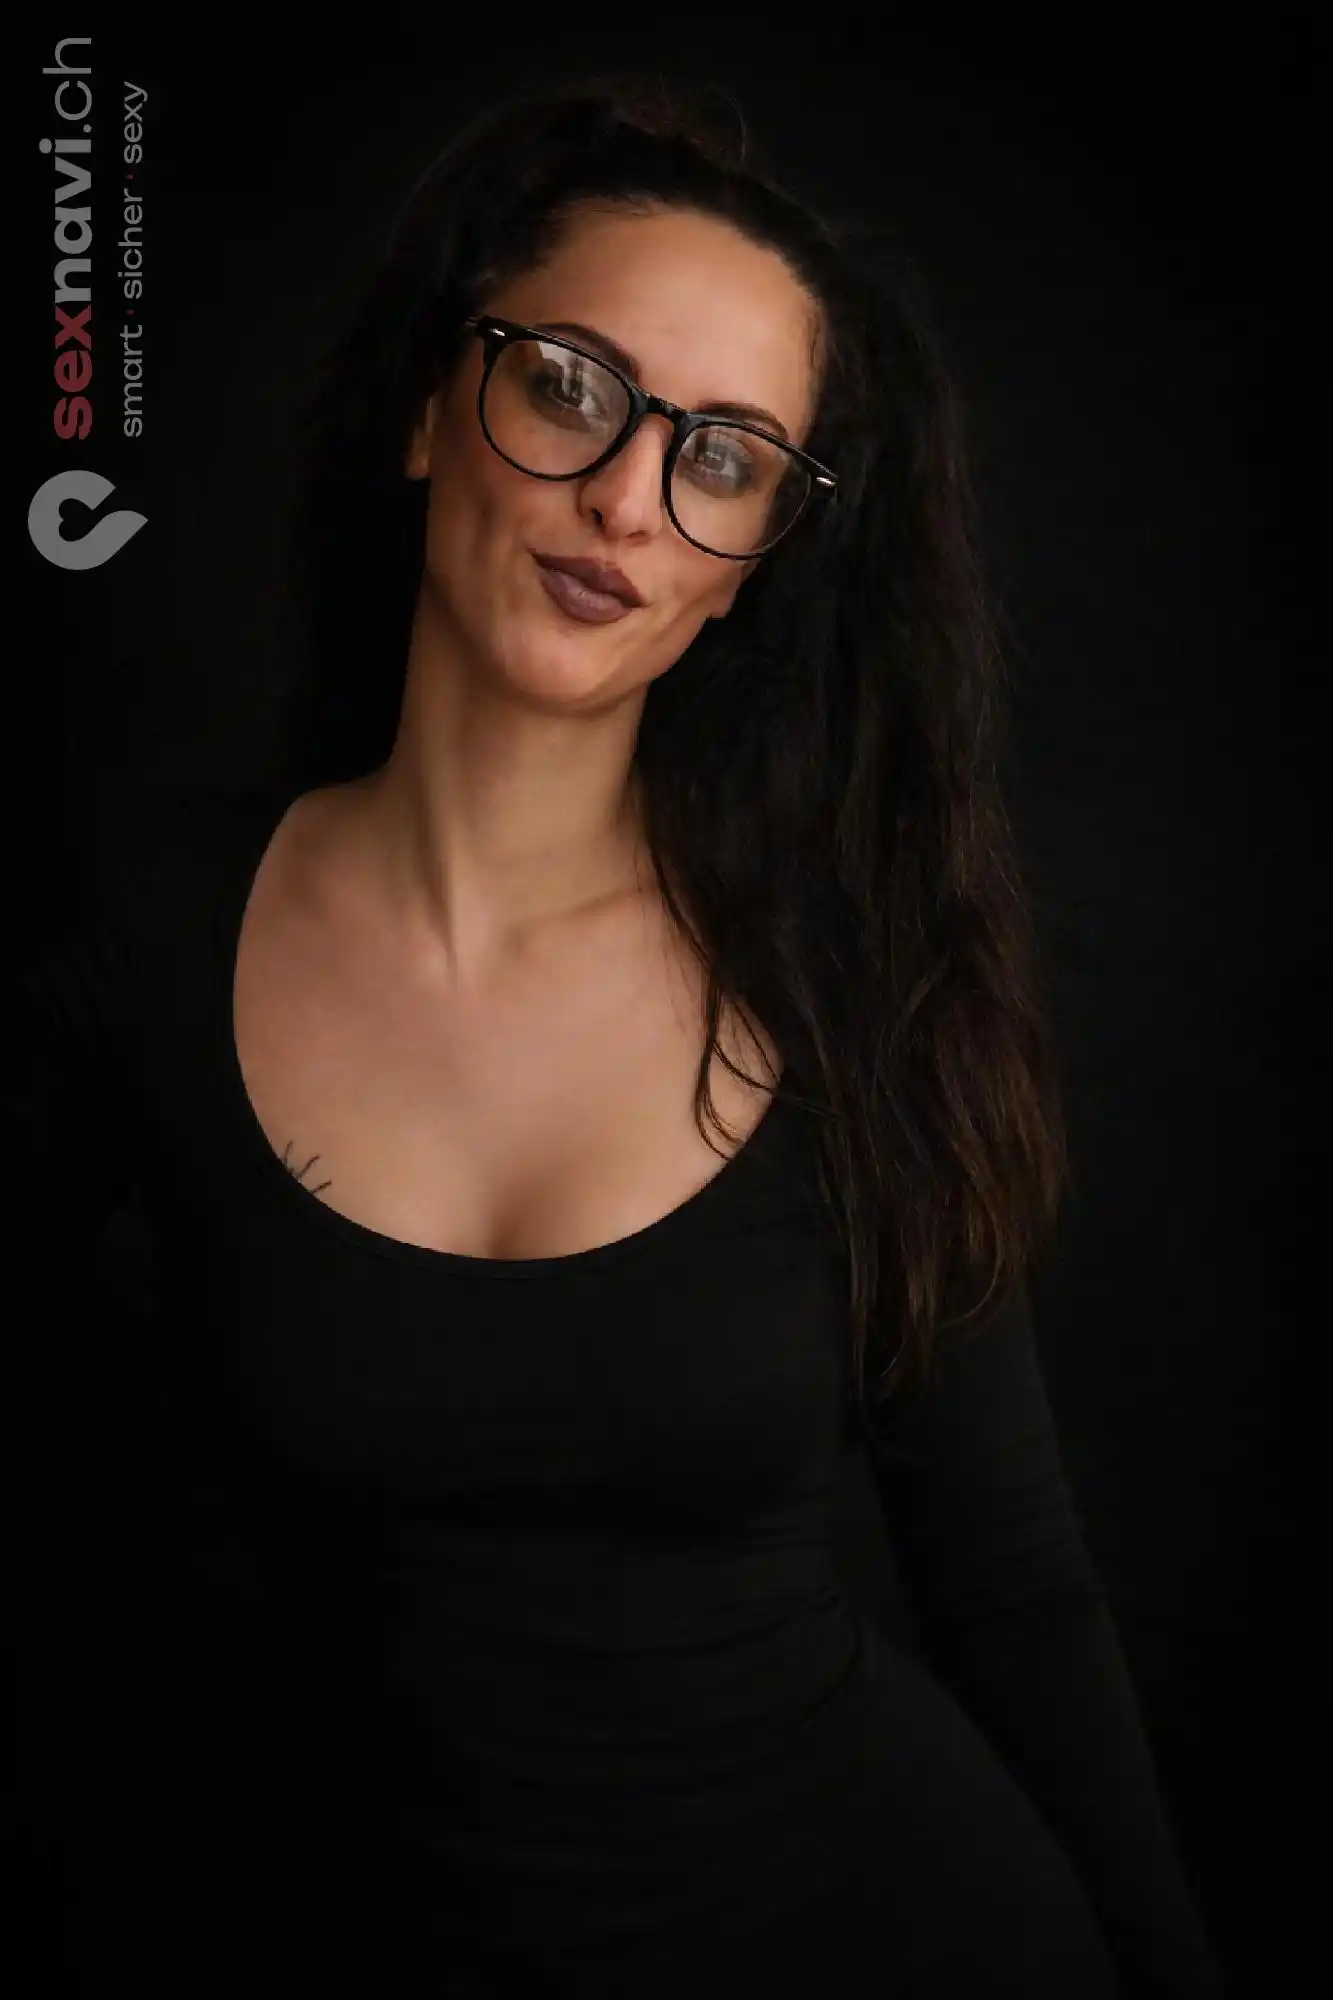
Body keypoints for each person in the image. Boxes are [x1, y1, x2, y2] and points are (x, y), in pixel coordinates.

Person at [16, 70, 1224, 1998]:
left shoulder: (845, 980)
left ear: (756, 560)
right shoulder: (154, 931)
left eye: (724, 458)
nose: (626, 500)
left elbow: (1011, 1584)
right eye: (574, 386)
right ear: (433, 405)